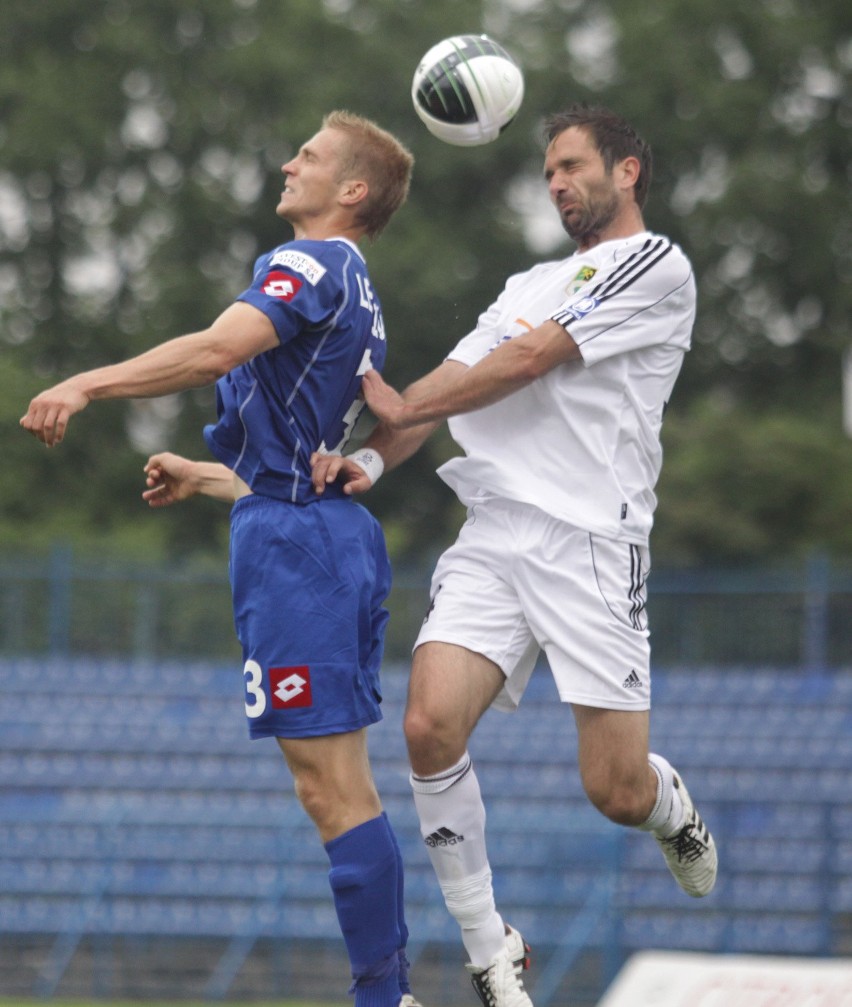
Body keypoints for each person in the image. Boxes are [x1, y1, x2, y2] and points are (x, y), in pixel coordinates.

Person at [312, 104, 718, 1007]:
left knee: (611, 787)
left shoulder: (656, 265)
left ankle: (666, 802)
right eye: (547, 173)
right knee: (425, 727)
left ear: (627, 173)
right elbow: (443, 386)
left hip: (593, 545)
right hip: (497, 530)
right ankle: (493, 951)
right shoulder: (526, 281)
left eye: (572, 165)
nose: (557, 182)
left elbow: (535, 359)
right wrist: (374, 452)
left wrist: (404, 408)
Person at [21, 110, 421, 1007]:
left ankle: (384, 996)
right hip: (318, 533)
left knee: (331, 791)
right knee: (341, 786)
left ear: (351, 191)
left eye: (310, 157)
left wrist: (85, 382)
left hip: (297, 552)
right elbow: (295, 451)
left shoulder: (313, 263)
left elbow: (214, 348)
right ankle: (388, 992)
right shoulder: (353, 284)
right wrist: (211, 475)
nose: (288, 162)